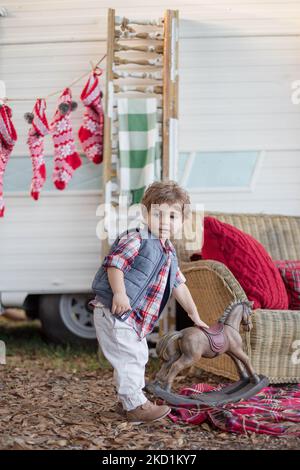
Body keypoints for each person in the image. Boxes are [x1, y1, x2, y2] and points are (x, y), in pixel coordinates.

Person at [89, 181, 209, 424]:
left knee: (137, 355)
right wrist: (120, 293)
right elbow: (115, 264)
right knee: (131, 357)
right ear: (145, 214)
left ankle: (127, 402)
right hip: (115, 310)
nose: (165, 221)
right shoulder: (137, 238)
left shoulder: (169, 252)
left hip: (134, 318)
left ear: (182, 221)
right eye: (158, 214)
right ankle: (135, 406)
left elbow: (179, 286)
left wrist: (195, 315)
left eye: (172, 215)